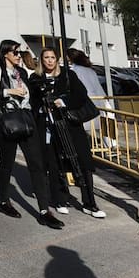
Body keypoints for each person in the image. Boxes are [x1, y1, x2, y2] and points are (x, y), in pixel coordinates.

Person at [0, 39, 63, 229]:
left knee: (37, 164)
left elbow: (31, 96)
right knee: (7, 162)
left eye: (19, 53)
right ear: (6, 54)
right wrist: (9, 91)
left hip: (26, 120)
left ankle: (44, 211)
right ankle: (3, 201)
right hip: (6, 121)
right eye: (16, 53)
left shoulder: (22, 73)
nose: (19, 56)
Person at [32, 48, 105, 218]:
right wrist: (43, 106)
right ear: (41, 60)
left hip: (71, 124)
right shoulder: (35, 78)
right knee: (55, 163)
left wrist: (63, 102)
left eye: (52, 57)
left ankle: (90, 203)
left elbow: (81, 95)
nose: (49, 61)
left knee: (83, 163)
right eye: (46, 58)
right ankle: (59, 199)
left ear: (57, 59)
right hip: (49, 127)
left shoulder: (67, 75)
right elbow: (33, 102)